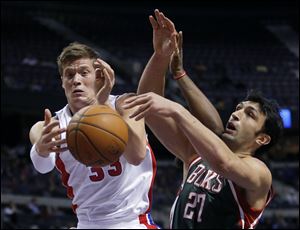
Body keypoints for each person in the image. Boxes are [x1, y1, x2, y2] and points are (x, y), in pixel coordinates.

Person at [132, 10, 283, 229]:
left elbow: (225, 163)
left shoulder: (259, 173)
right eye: (239, 108)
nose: (236, 113)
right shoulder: (195, 156)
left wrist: (178, 110)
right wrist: (160, 56)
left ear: (262, 139)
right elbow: (149, 108)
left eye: (249, 115)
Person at [29, 42, 160, 229]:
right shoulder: (48, 126)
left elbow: (136, 156)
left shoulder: (125, 105)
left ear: (99, 76)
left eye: (84, 73)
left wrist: (103, 104)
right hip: (86, 224)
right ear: (62, 82)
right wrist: (41, 149)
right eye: (69, 75)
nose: (76, 80)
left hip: (131, 223)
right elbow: (43, 167)